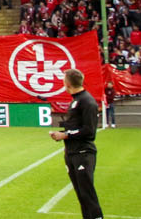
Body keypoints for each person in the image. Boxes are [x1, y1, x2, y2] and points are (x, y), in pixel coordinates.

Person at [49, 69, 103, 219]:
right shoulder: (76, 100)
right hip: (72, 153)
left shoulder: (87, 101)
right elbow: (76, 126)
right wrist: (62, 133)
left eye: (63, 79)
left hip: (83, 153)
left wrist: (65, 135)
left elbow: (89, 131)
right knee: (82, 195)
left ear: (67, 83)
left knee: (87, 194)